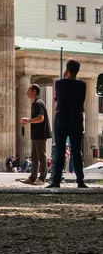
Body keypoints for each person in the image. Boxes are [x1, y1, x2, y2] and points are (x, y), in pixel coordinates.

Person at [45, 59, 87, 189]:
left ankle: (56, 180)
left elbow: (58, 97)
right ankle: (80, 180)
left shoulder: (59, 82)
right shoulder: (82, 84)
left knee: (59, 150)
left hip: (61, 118)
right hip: (75, 119)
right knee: (76, 151)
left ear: (67, 70)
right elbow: (81, 101)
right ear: (78, 70)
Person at [18, 82, 52, 186]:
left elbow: (41, 118)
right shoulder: (35, 103)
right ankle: (32, 178)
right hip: (36, 134)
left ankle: (42, 179)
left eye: (28, 90)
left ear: (34, 91)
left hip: (40, 134)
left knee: (41, 157)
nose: (27, 92)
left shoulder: (38, 103)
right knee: (34, 157)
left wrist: (28, 120)